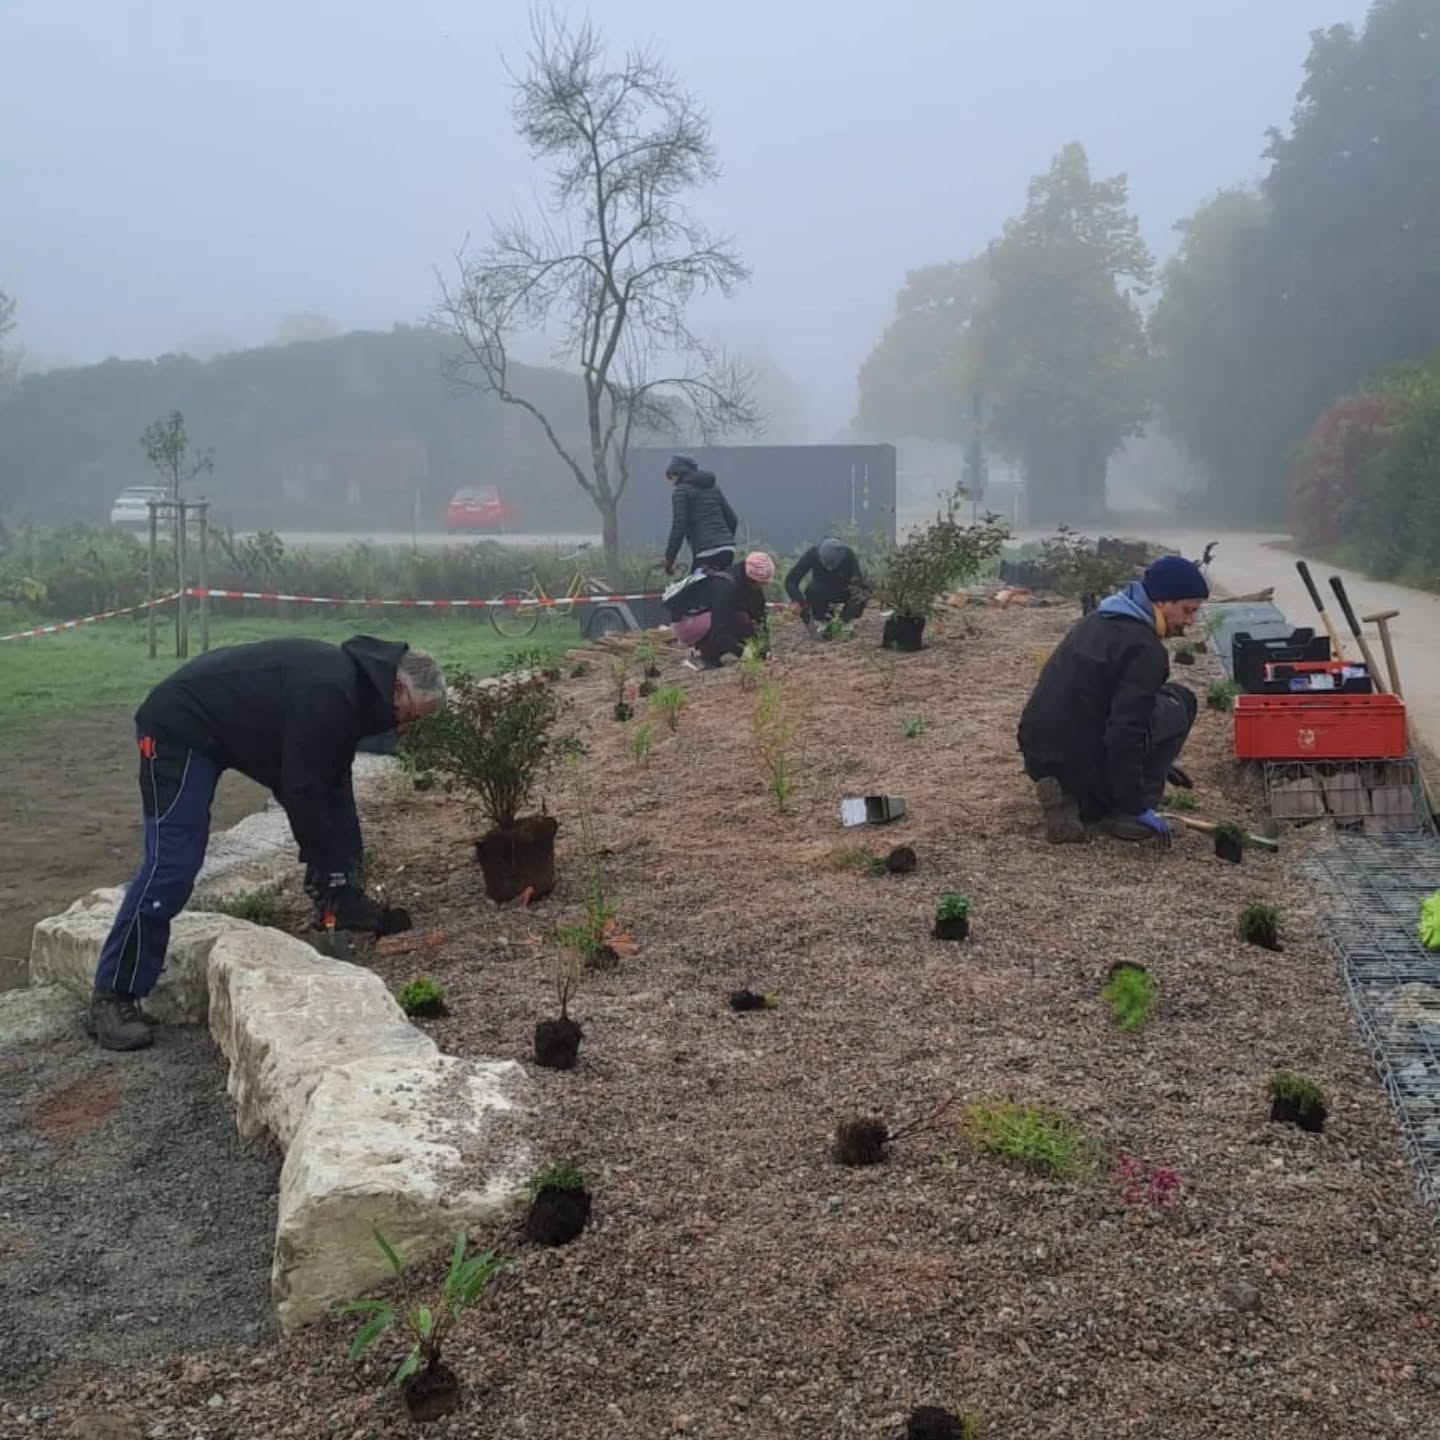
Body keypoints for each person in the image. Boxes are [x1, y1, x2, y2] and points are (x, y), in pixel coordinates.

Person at [88, 637, 448, 1051]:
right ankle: (112, 996)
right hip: (180, 727)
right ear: (400, 689)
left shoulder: (359, 692)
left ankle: (341, 905)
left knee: (334, 799)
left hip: (237, 730)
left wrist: (339, 873)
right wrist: (323, 859)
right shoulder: (333, 692)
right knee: (173, 862)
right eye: (412, 716)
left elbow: (330, 781)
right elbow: (301, 788)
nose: (405, 727)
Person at [1017, 554, 1209, 846]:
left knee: (1144, 702)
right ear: (1162, 601)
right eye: (1187, 610)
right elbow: (1124, 732)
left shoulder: (1097, 619)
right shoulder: (1145, 650)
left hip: (1040, 752)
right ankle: (1125, 813)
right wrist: (1134, 801)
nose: (1190, 621)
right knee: (1180, 701)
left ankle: (1070, 798)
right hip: (1085, 759)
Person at [662, 455, 738, 576]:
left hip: (705, 552)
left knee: (692, 592)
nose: (671, 483)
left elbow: (678, 527)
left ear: (678, 474)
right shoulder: (714, 488)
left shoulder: (681, 491)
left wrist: (669, 559)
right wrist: (724, 541)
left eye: (671, 477)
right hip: (727, 550)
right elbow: (732, 520)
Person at [785, 536, 867, 635]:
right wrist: (800, 602)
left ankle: (847, 624)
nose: (829, 569)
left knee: (861, 594)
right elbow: (791, 581)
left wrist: (844, 618)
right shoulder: (813, 554)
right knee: (812, 590)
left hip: (844, 589)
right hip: (823, 589)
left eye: (832, 565)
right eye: (826, 564)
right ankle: (822, 620)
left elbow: (858, 585)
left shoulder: (848, 555)